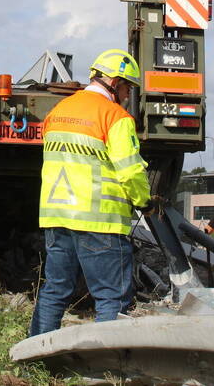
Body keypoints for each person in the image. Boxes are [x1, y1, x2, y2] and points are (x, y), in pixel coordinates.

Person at [29, 49, 153, 337]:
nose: (127, 94)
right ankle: (108, 367)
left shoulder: (58, 112)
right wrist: (143, 202)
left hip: (56, 217)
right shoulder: (115, 117)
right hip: (100, 221)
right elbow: (131, 170)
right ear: (114, 81)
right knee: (112, 298)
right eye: (127, 86)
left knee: (55, 290)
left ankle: (36, 357)